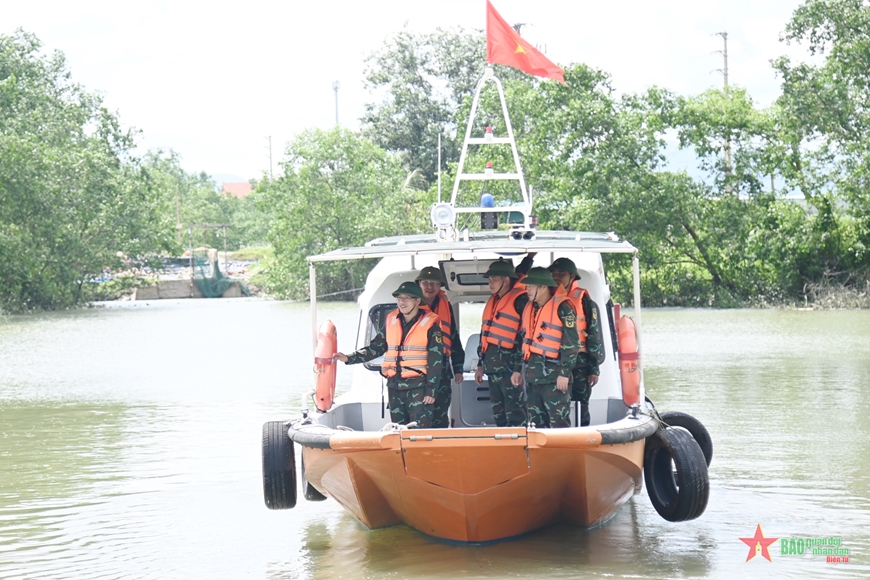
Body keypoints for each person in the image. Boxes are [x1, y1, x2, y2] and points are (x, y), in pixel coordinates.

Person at [335, 281, 442, 428]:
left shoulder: (430, 325)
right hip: (395, 387)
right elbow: (376, 348)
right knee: (397, 431)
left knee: (419, 432)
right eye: (399, 298)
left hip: (418, 388)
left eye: (407, 298)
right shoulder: (392, 320)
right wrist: (349, 358)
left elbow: (436, 361)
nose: (401, 302)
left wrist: (431, 391)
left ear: (418, 301)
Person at [512, 267, 580, 428]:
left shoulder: (563, 308)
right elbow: (523, 341)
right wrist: (517, 369)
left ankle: (562, 454)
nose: (527, 289)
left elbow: (571, 343)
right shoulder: (530, 308)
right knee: (536, 425)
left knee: (559, 424)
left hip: (554, 379)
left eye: (530, 286)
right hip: (533, 379)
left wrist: (564, 373)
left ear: (543, 287)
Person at [474, 256, 533, 426]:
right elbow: (484, 334)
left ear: (506, 280)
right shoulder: (494, 301)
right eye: (489, 279)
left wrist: (517, 369)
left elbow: (524, 337)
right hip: (493, 369)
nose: (490, 283)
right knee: (499, 416)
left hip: (510, 370)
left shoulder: (520, 301)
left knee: (516, 415)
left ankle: (520, 451)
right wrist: (480, 365)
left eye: (494, 279)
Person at [549, 257, 605, 427]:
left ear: (572, 277)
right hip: (555, 363)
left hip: (580, 364)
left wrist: (593, 368)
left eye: (562, 274)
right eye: (554, 273)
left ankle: (582, 434)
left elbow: (594, 336)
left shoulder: (585, 302)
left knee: (580, 404)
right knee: (557, 407)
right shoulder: (546, 298)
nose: (557, 277)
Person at [415, 266, 465, 428]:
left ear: (440, 286)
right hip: (419, 368)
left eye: (435, 283)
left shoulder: (446, 306)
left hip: (442, 368)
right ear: (419, 284)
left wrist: (458, 368)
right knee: (421, 413)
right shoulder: (410, 306)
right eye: (426, 283)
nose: (430, 287)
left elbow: (453, 336)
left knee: (441, 411)